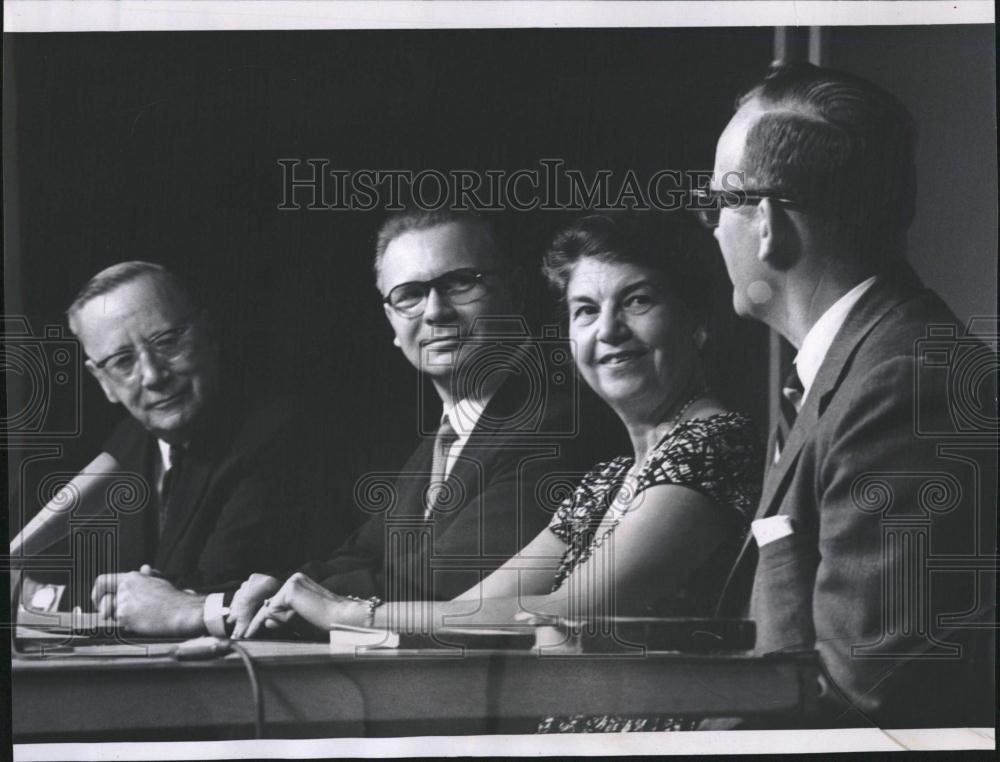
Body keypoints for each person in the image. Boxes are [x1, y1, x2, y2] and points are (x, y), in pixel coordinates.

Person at [243, 213, 765, 732]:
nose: (608, 330)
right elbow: (475, 612)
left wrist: (348, 616)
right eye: (585, 310)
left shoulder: (713, 442)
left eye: (637, 300)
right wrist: (314, 613)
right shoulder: (608, 479)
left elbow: (558, 615)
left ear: (696, 321)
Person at [112, 209, 613, 638]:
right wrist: (267, 590)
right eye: (410, 295)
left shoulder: (556, 420)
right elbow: (358, 561)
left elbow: (435, 586)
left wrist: (201, 612)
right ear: (392, 324)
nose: (435, 312)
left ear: (515, 291)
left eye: (460, 283)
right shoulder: (450, 432)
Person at [703, 62, 996, 728]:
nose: (714, 229)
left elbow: (866, 702)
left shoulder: (904, 383)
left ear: (770, 223)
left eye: (717, 203)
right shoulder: (861, 369)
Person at [40, 262, 331, 632]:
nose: (152, 375)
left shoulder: (278, 434)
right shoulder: (123, 445)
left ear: (207, 333)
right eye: (123, 361)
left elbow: (228, 586)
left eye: (167, 342)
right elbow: (90, 580)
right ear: (103, 381)